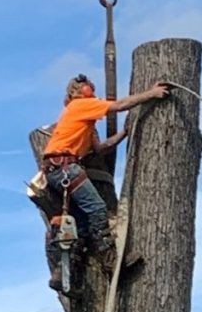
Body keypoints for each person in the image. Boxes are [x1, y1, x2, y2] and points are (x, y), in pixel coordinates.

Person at [43, 74, 169, 289]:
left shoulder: (85, 121)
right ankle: (110, 262)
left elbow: (100, 149)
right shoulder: (81, 105)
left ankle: (65, 273)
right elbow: (119, 105)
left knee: (81, 224)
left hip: (58, 168)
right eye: (87, 87)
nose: (92, 90)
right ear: (79, 91)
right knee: (98, 209)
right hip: (64, 167)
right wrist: (151, 93)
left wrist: (124, 133)